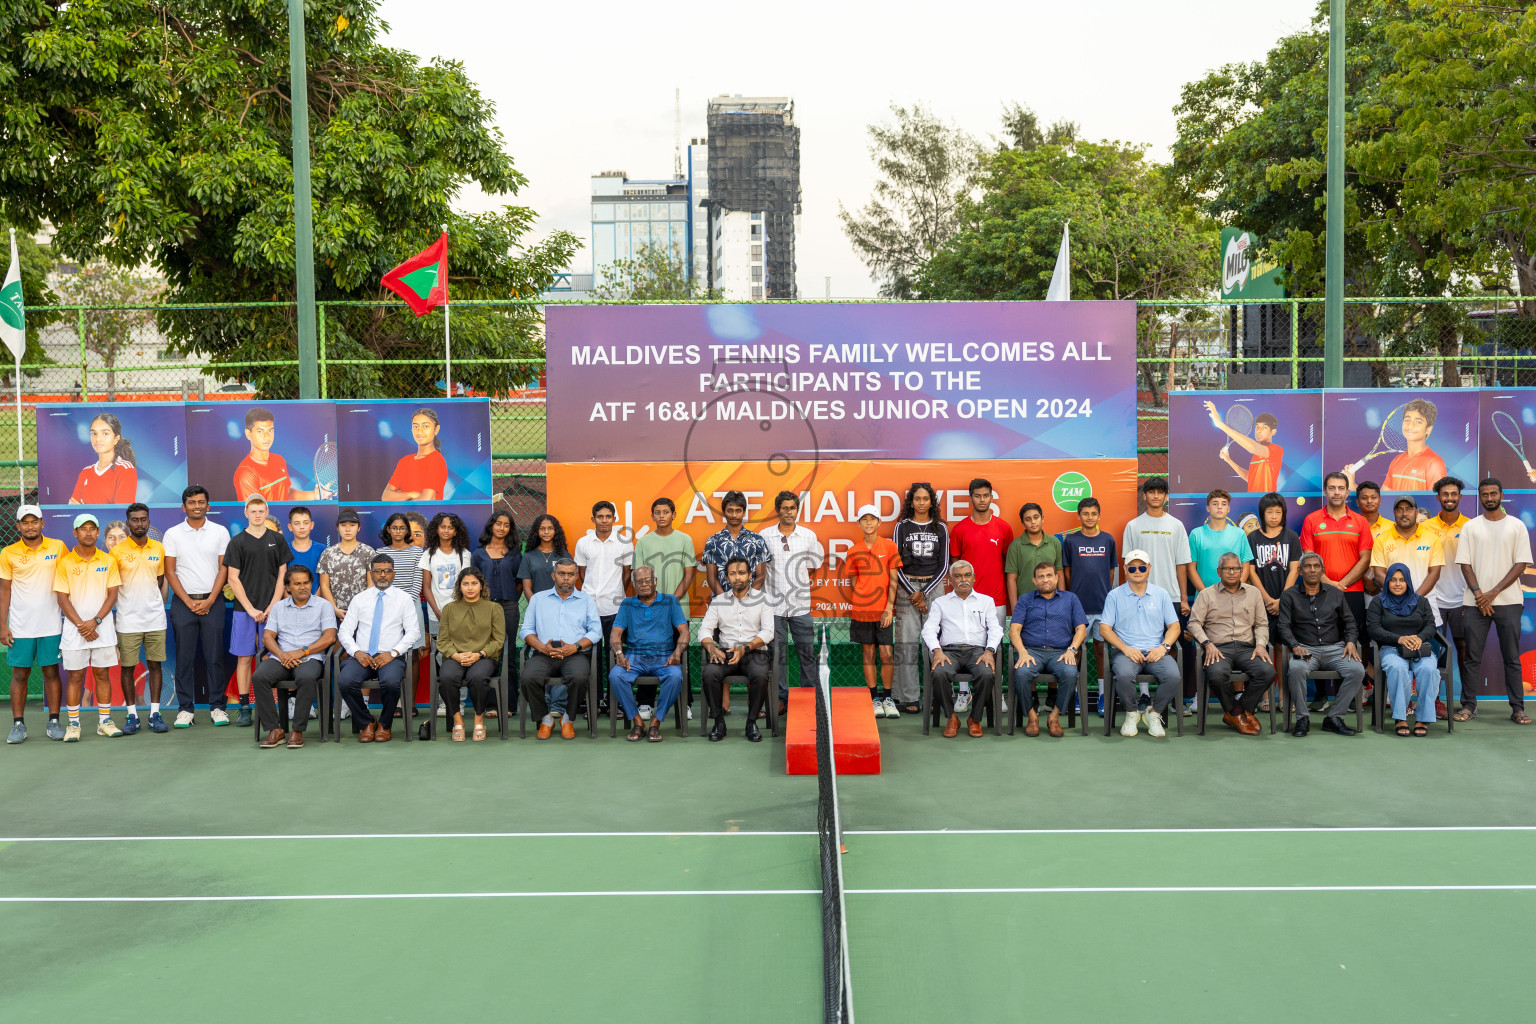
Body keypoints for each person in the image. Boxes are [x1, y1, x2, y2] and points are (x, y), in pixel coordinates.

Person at [1455, 478, 1532, 725]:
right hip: (1474, 602)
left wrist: (1493, 593)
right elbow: (1464, 563)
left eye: (1493, 493)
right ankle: (1468, 705)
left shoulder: (1516, 526)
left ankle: (1518, 708)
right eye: (1484, 494)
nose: (1489, 498)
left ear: (1501, 494)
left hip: (1509, 601)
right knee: (1471, 657)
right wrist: (1480, 595)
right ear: (1479, 497)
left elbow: (1521, 564)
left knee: (1511, 656)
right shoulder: (1471, 527)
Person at [1299, 471, 1373, 711]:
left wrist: (1342, 584)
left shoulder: (1359, 521)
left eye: (1341, 488)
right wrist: (1329, 583)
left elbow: (1365, 559)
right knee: (1320, 639)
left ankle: (1351, 695)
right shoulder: (1312, 520)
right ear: (1325, 491)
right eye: (1332, 488)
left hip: (1353, 592)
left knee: (1352, 641)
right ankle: (1321, 696)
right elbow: (1308, 558)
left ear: (1348, 491)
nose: (1337, 492)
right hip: (1318, 590)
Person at [1122, 477, 1194, 714]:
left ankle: (1174, 699)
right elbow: (1128, 564)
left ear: (1166, 497)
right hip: (1139, 596)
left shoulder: (1176, 526)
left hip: (1170, 597)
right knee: (1140, 643)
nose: (1155, 496)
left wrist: (1183, 597)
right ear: (1144, 496)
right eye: (1151, 492)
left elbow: (1182, 564)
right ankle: (1143, 697)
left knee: (1170, 648)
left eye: (1160, 492)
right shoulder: (1133, 526)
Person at [1278, 552, 1366, 737]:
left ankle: (1334, 718)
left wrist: (1350, 641)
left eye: (1316, 566)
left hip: (1334, 649)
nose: (1312, 570)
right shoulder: (1289, 595)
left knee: (1357, 670)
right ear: (1300, 571)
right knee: (1296, 669)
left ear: (1322, 571)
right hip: (1305, 648)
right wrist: (1294, 645)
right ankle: (1302, 718)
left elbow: (1350, 622)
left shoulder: (1335, 593)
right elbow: (1283, 626)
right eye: (1308, 567)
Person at [163, 485, 230, 728]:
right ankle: (185, 709)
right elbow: (170, 572)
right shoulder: (172, 534)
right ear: (184, 507)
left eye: (201, 502)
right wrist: (189, 601)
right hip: (183, 603)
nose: (197, 506)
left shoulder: (220, 532)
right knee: (184, 657)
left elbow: (224, 568)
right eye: (192, 502)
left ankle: (218, 707)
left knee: (215, 657)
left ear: (208, 506)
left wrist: (211, 599)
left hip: (214, 601)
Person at [1188, 551, 1276, 735]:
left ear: (1242, 570)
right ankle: (1238, 713)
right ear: (1218, 571)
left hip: (1247, 648)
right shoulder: (1206, 594)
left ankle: (1237, 711)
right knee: (1217, 674)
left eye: (1236, 568)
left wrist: (1260, 644)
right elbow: (1193, 623)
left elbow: (1261, 623)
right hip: (1218, 648)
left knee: (1267, 671)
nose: (1231, 572)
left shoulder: (1253, 593)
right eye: (1227, 568)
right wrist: (1207, 644)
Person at [336, 554, 421, 742]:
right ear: (371, 574)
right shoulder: (360, 599)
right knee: (345, 681)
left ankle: (385, 724)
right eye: (378, 571)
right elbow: (345, 632)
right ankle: (367, 723)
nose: (383, 575)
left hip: (390, 655)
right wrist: (357, 652)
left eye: (387, 571)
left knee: (391, 683)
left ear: (394, 574)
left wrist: (393, 653)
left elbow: (413, 632)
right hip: (362, 655)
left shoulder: (404, 599)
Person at [224, 496, 292, 728]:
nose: (257, 514)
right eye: (253, 511)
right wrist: (252, 609)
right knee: (244, 657)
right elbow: (233, 579)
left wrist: (273, 605)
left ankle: (272, 704)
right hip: (245, 611)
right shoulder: (237, 542)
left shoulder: (278, 539)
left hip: (273, 610)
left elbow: (283, 576)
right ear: (246, 513)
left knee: (273, 658)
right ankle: (244, 707)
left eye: (261, 510)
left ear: (267, 511)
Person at [251, 563, 337, 748]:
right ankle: (275, 730)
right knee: (259, 677)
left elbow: (329, 637)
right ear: (288, 587)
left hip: (310, 657)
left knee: (306, 677)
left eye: (306, 582)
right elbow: (267, 637)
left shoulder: (324, 606)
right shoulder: (278, 607)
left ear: (312, 584)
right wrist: (282, 655)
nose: (303, 587)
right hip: (282, 658)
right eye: (297, 584)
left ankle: (297, 731)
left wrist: (303, 651)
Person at [1098, 550, 1181, 738]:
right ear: (1125, 570)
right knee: (1125, 675)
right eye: (1132, 567)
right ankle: (1132, 713)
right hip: (1125, 652)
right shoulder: (1114, 595)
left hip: (1156, 652)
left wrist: (1163, 647)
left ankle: (1154, 713)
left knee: (1173, 675)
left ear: (1149, 569)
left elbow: (1174, 627)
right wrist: (1126, 649)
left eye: (1142, 567)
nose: (1137, 571)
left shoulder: (1161, 594)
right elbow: (1104, 629)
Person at [2, 505, 68, 743]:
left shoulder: (58, 547)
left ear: (43, 523)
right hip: (20, 627)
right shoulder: (8, 552)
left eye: (34, 521)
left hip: (51, 624)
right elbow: (4, 590)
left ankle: (54, 721)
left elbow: (68, 580)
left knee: (51, 672)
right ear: (18, 526)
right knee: (20, 674)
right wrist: (2, 625)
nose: (30, 526)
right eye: (25, 522)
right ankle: (18, 725)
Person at [53, 514, 122, 741]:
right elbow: (62, 598)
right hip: (75, 630)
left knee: (102, 674)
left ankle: (105, 722)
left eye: (93, 528)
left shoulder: (108, 560)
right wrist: (83, 625)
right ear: (75, 533)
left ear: (97, 532)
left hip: (101, 628)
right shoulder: (65, 563)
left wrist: (97, 621)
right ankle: (73, 724)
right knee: (75, 676)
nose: (89, 532)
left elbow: (113, 594)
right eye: (83, 529)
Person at [949, 479, 1012, 717]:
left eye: (986, 495)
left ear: (991, 497)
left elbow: (1007, 564)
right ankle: (964, 692)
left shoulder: (1004, 528)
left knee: (993, 646)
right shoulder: (960, 529)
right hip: (965, 600)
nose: (982, 500)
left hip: (995, 599)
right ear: (971, 498)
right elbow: (955, 567)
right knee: (963, 643)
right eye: (977, 496)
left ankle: (998, 692)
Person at [760, 490, 825, 717]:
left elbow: (814, 565)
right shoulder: (765, 536)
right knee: (777, 656)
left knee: (806, 653)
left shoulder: (808, 536)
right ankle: (780, 699)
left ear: (798, 510)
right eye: (785, 508)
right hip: (773, 606)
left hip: (800, 606)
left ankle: (808, 697)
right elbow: (761, 569)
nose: (789, 512)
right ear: (778, 510)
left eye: (793, 508)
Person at [520, 557, 600, 740]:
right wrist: (543, 647)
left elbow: (596, 631)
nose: (566, 578)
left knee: (579, 677)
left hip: (574, 654)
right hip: (544, 653)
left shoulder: (586, 601)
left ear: (577, 577)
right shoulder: (538, 599)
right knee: (528, 677)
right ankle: (545, 719)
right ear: (553, 575)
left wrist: (575, 646)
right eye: (561, 574)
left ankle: (568, 719)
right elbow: (526, 630)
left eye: (571, 574)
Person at [921, 560, 1001, 738]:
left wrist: (989, 651)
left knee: (987, 674)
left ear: (973, 578)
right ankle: (952, 717)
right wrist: (937, 651)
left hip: (978, 652)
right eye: (957, 576)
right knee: (940, 673)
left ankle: (975, 719)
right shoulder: (940, 602)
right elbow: (929, 629)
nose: (963, 579)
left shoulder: (986, 601)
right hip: (949, 652)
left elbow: (995, 629)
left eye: (967, 575)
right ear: (951, 580)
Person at [608, 565, 688, 742]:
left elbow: (684, 631)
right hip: (634, 656)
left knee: (675, 677)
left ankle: (655, 722)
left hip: (664, 655)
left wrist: (677, 652)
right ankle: (638, 722)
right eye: (639, 582)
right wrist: (620, 653)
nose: (643, 584)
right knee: (616, 676)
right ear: (634, 585)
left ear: (655, 582)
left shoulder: (670, 601)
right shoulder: (628, 604)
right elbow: (615, 633)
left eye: (647, 580)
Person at [700, 557, 774, 742]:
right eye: (732, 574)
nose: (737, 577)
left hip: (754, 652)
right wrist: (711, 647)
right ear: (726, 577)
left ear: (750, 575)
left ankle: (751, 722)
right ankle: (719, 722)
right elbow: (705, 629)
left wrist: (745, 648)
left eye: (741, 573)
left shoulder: (763, 600)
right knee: (709, 673)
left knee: (759, 674)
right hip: (726, 652)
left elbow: (768, 632)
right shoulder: (719, 601)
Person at [1010, 563, 1087, 738]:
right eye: (1041, 576)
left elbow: (1081, 629)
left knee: (1069, 673)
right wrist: (1022, 652)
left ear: (1056, 577)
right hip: (1031, 651)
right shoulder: (1025, 600)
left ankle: (1054, 718)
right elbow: (1014, 630)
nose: (1046, 580)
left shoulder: (1071, 599)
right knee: (1021, 673)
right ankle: (1032, 718)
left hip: (1061, 652)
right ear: (1034, 580)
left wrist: (1072, 650)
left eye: (1049, 575)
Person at [111, 503, 169, 734]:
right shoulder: (116, 552)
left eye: (143, 519)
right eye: (134, 519)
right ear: (128, 523)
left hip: (155, 618)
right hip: (127, 619)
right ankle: (131, 715)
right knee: (128, 667)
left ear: (149, 521)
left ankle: (155, 714)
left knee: (155, 665)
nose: (139, 523)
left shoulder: (158, 548)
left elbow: (160, 580)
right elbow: (112, 587)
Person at [892, 482, 948, 716]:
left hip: (933, 589)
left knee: (936, 644)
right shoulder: (901, 527)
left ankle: (937, 695)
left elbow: (945, 565)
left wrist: (924, 593)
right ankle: (908, 696)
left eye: (926, 499)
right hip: (907, 587)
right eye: (917, 499)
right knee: (906, 644)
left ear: (931, 501)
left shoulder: (941, 527)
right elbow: (896, 563)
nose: (922, 503)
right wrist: (913, 593)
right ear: (911, 501)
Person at [1368, 563, 1440, 737]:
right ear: (1387, 582)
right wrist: (1399, 639)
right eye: (1393, 580)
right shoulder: (1378, 602)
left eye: (1402, 580)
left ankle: (1423, 718)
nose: (1397, 584)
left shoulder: (1421, 601)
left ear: (1408, 581)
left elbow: (1431, 626)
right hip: (1391, 649)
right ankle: (1400, 717)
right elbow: (1373, 629)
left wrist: (1419, 638)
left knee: (1429, 669)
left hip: (1418, 648)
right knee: (1397, 668)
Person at [1423, 477, 1474, 720]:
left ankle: (1468, 704)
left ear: (1460, 497)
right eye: (1445, 494)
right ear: (1438, 498)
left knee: (1465, 652)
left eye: (1454, 494)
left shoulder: (1471, 526)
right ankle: (1435, 702)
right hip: (1433, 601)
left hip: (1464, 601)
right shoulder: (1426, 527)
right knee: (1434, 654)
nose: (1450, 498)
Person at [843, 504, 901, 718]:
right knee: (868, 653)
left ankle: (888, 698)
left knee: (886, 654)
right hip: (862, 610)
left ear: (879, 522)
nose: (868, 522)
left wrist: (888, 608)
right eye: (864, 519)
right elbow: (853, 580)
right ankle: (874, 698)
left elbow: (894, 579)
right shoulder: (853, 550)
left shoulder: (889, 546)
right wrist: (864, 597)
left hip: (883, 611)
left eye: (872, 518)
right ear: (859, 523)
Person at [435, 566, 505, 743]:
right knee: (447, 677)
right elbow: (442, 640)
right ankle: (458, 721)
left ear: (481, 586)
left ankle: (479, 719)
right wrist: (455, 655)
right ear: (459, 587)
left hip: (484, 657)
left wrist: (479, 654)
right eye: (465, 584)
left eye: (474, 583)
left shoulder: (494, 608)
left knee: (478, 677)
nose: (470, 587)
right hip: (455, 656)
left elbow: (498, 640)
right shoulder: (449, 609)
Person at [574, 500, 633, 689]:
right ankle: (596, 701)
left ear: (614, 519)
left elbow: (627, 574)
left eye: (608, 517)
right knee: (592, 656)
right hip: (589, 607)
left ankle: (614, 701)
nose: (604, 520)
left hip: (614, 607)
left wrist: (616, 592)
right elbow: (582, 573)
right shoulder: (583, 543)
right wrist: (592, 592)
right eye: (600, 517)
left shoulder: (624, 543)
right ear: (593, 519)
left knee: (615, 653)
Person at [1245, 492, 1300, 666]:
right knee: (1261, 645)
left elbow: (1294, 570)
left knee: (1282, 648)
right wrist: (1267, 599)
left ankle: (1283, 693)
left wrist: (1281, 600)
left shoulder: (1291, 537)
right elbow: (1251, 572)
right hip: (1261, 602)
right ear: (1262, 514)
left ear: (1283, 513)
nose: (1274, 516)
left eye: (1278, 512)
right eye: (1270, 512)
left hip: (1286, 601)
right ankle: (1266, 694)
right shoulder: (1252, 537)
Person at [471, 510, 522, 679]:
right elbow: (474, 581)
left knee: (509, 652)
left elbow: (519, 581)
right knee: (487, 651)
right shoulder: (478, 554)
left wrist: (510, 597)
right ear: (491, 525)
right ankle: (491, 703)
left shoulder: (514, 553)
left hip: (509, 607)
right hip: (484, 608)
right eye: (499, 523)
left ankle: (510, 703)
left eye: (506, 525)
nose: (502, 528)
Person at [1370, 497, 1444, 606]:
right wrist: (1399, 596)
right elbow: (1379, 573)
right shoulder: (1381, 539)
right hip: (1393, 605)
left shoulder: (1432, 538)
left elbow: (1434, 574)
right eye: (1400, 510)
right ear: (1394, 513)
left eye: (1409, 509)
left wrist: (1414, 599)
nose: (1404, 513)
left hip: (1425, 605)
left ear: (1416, 512)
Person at [232, 406, 317, 501]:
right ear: (248, 434)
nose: (267, 437)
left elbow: (287, 494)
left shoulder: (279, 460)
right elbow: (255, 512)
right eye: (260, 431)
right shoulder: (246, 473)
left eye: (270, 431)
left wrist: (315, 495)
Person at [633, 497, 697, 616]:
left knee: (681, 635)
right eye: (657, 513)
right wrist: (652, 601)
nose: (661, 516)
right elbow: (637, 576)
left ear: (673, 515)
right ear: (652, 516)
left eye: (666, 512)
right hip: (650, 608)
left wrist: (671, 602)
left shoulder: (685, 540)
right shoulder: (642, 542)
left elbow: (689, 574)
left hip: (678, 608)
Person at [701, 490, 770, 596]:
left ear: (744, 512)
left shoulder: (757, 540)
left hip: (750, 604)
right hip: (721, 604)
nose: (734, 515)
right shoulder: (713, 541)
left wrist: (746, 598)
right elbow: (711, 578)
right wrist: (726, 600)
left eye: (738, 511)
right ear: (723, 512)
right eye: (730, 510)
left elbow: (761, 576)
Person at [1187, 489, 1252, 595]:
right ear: (1208, 508)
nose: (1219, 507)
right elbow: (1190, 568)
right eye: (1215, 504)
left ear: (1228, 509)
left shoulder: (1239, 534)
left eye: (1224, 504)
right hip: (1204, 599)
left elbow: (1246, 566)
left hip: (1234, 598)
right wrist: (1206, 594)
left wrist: (1235, 592)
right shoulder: (1196, 534)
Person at [420, 511, 473, 640]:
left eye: (450, 528)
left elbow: (467, 585)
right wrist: (438, 612)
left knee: (460, 645)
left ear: (456, 532)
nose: (446, 530)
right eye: (443, 527)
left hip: (460, 612)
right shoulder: (428, 555)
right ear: (436, 530)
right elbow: (426, 587)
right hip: (436, 612)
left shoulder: (464, 554)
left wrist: (460, 610)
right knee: (438, 649)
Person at [318, 508, 375, 623]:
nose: (348, 529)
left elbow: (371, 585)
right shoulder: (328, 553)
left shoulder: (368, 552)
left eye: (352, 525)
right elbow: (324, 585)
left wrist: (360, 608)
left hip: (363, 612)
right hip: (335, 613)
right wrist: (334, 609)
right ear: (337, 528)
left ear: (359, 527)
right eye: (343, 525)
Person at [378, 511, 425, 651]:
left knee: (414, 649)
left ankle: (412, 675)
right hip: (388, 604)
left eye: (402, 528)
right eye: (394, 527)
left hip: (412, 603)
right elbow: (381, 581)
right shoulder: (380, 553)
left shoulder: (417, 552)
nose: (398, 531)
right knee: (390, 647)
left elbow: (417, 581)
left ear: (406, 531)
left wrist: (405, 603)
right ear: (388, 529)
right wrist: (393, 603)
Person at [69, 412, 138, 504]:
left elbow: (121, 512)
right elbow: (73, 508)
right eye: (94, 434)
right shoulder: (85, 472)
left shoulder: (125, 469)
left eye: (105, 433)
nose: (98, 439)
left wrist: (85, 508)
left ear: (116, 439)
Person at [381, 407, 448, 501]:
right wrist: (412, 494)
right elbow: (386, 497)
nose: (419, 431)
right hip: (402, 515)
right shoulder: (404, 461)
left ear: (436, 429)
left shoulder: (436, 461)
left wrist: (399, 496)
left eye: (425, 426)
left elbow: (425, 500)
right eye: (415, 426)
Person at [1383, 399, 1448, 492]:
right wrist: (1353, 484)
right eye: (1407, 420)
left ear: (1428, 429)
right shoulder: (1396, 461)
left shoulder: (1434, 463)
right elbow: (1382, 500)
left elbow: (1436, 503)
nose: (1410, 426)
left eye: (1418, 422)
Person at [518, 513, 569, 601]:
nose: (546, 532)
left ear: (555, 531)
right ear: (537, 531)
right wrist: (536, 606)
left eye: (550, 528)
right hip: (537, 605)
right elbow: (527, 588)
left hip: (561, 605)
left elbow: (569, 584)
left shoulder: (564, 555)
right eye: (542, 529)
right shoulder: (529, 556)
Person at [1353, 481, 1388, 599]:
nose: (1369, 501)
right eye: (1364, 498)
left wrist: (1378, 581)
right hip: (1355, 584)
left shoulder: (1392, 527)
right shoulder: (1351, 526)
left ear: (1380, 500)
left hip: (1386, 586)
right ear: (1357, 502)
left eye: (1373, 497)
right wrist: (1365, 580)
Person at [285, 506, 322, 580]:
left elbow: (325, 581)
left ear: (311, 525)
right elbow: (282, 580)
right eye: (297, 523)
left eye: (305, 523)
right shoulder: (284, 550)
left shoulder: (322, 550)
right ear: (290, 527)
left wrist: (317, 592)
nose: (302, 527)